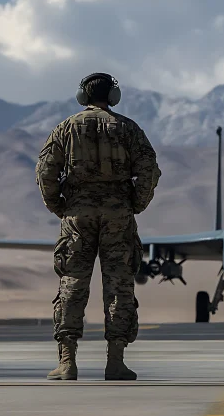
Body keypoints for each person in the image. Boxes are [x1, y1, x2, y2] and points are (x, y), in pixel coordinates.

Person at [35, 72, 161, 381]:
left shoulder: (65, 129)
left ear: (82, 96)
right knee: (119, 285)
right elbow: (149, 170)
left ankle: (67, 362)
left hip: (78, 216)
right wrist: (135, 203)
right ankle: (115, 361)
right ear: (113, 97)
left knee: (72, 285)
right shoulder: (128, 129)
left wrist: (60, 207)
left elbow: (45, 171)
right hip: (118, 216)